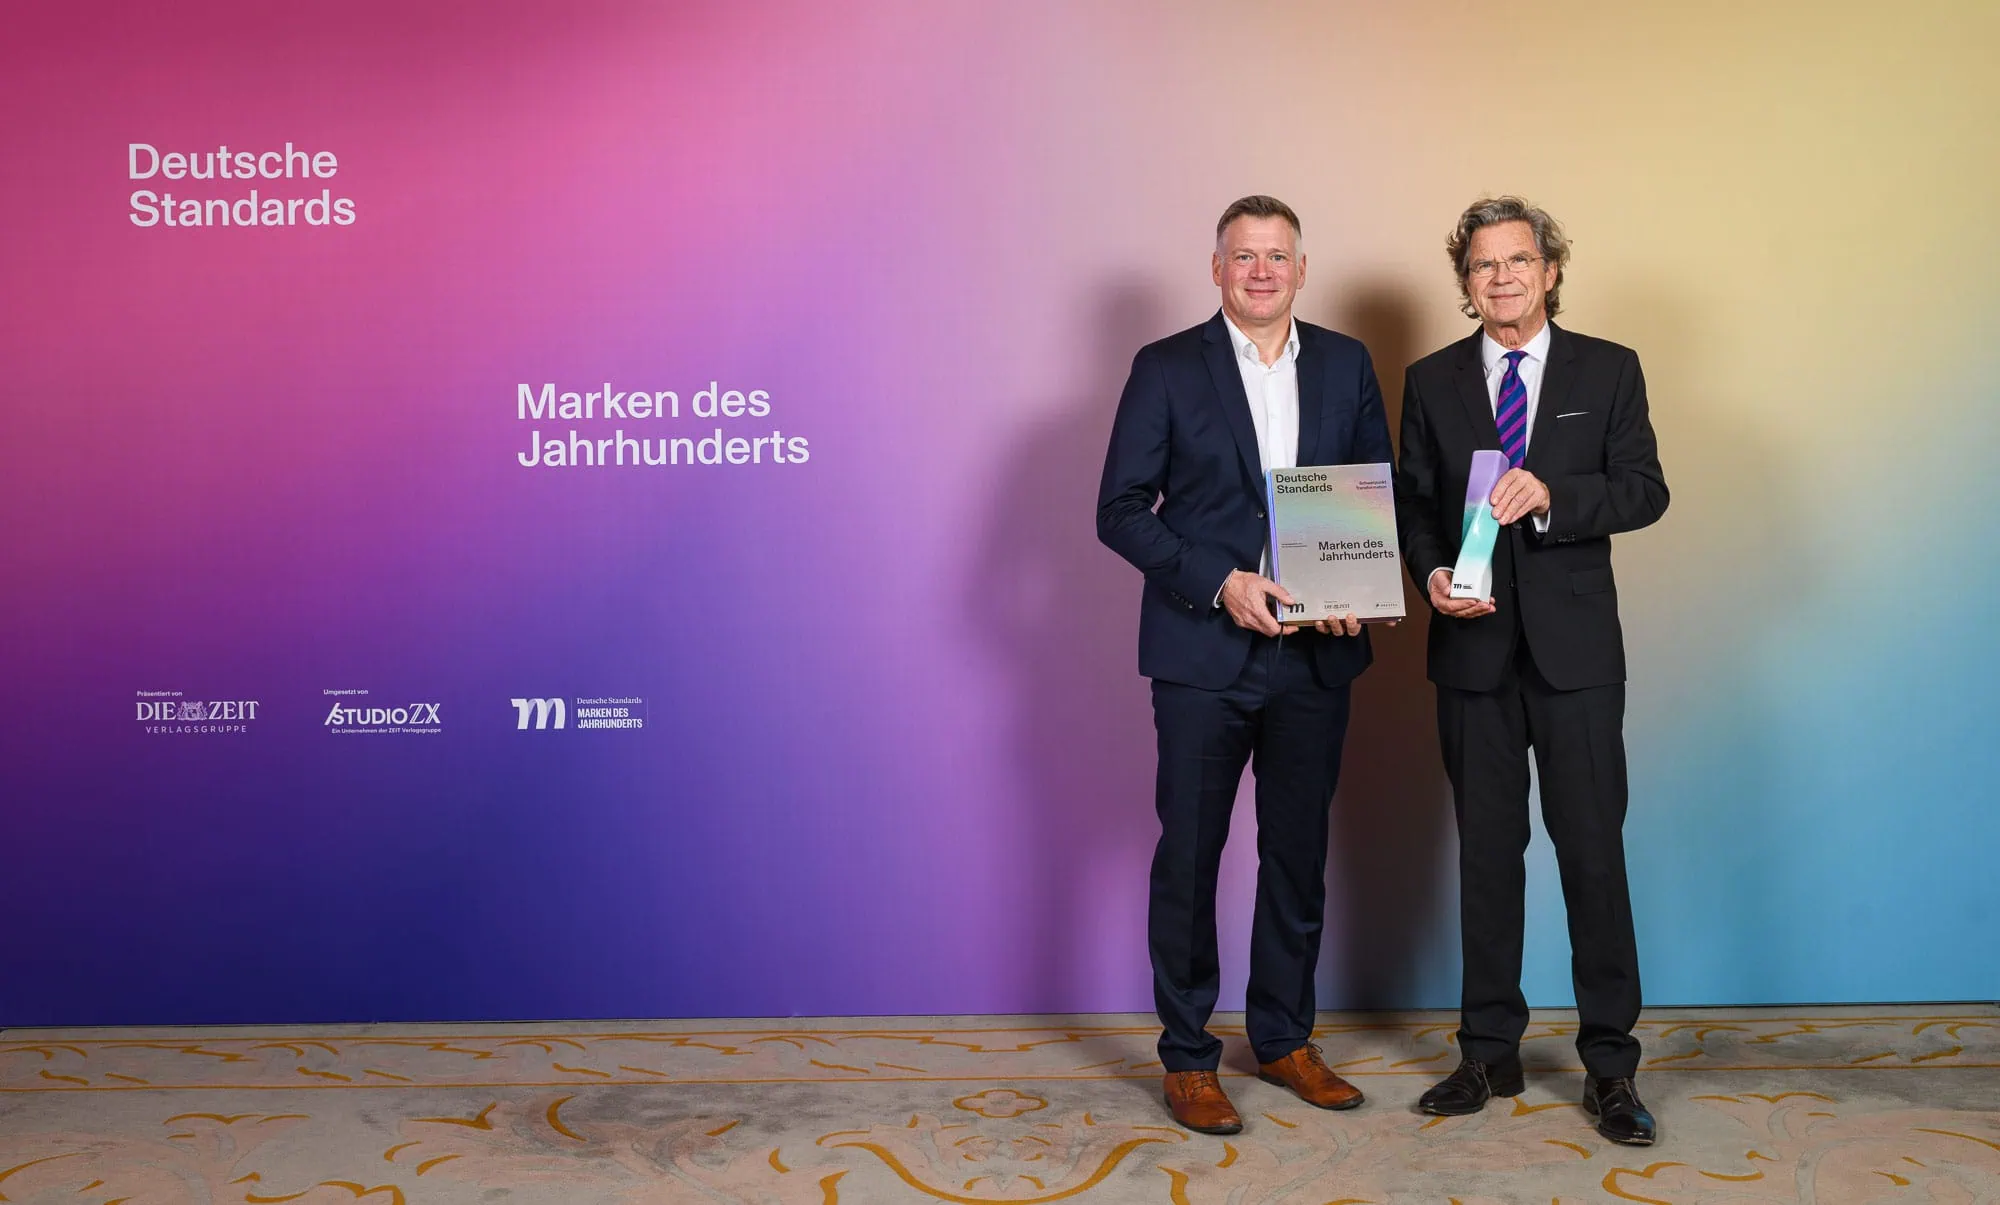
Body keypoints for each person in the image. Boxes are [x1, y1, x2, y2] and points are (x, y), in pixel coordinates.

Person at [1097, 195, 1393, 1135]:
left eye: (1277, 255)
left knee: (1296, 855)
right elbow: (1120, 509)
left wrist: (1351, 588)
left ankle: (1283, 1039)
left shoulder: (1345, 362)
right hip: (1202, 655)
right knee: (1190, 857)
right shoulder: (1166, 366)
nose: (1261, 271)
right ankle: (1189, 1056)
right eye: (1243, 256)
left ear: (1302, 270)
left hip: (1315, 657)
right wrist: (1218, 582)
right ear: (1217, 269)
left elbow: (1369, 495)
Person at [1394, 196, 1669, 1145]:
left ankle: (1611, 1067)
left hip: (1577, 656)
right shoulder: (1429, 380)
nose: (1502, 277)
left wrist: (1554, 495)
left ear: (1551, 270)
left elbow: (1644, 488)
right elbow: (1414, 504)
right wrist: (1431, 574)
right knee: (1485, 853)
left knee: (1592, 853)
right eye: (1483, 265)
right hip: (1470, 651)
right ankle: (1487, 1051)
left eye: (1518, 260)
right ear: (1465, 283)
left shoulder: (1609, 367)